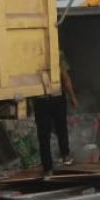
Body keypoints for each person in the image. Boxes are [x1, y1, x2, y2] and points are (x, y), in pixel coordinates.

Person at [34, 50, 79, 178]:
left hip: (40, 99)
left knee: (44, 134)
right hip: (57, 95)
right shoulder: (57, 53)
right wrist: (73, 97)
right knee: (61, 127)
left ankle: (48, 168)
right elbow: (65, 77)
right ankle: (65, 155)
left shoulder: (31, 53)